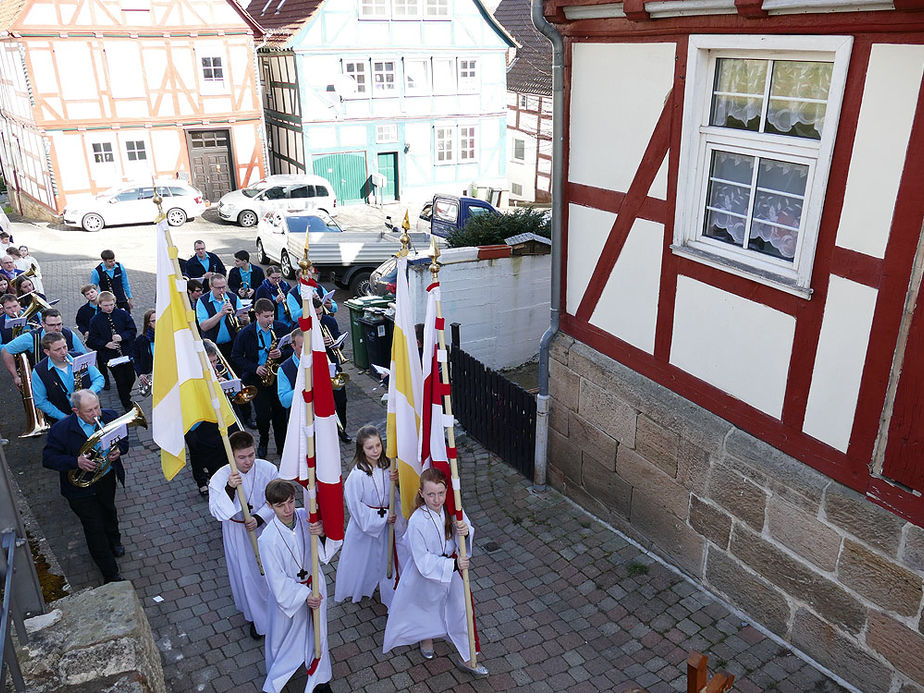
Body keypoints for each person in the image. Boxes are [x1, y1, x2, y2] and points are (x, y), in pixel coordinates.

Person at [383, 468, 486, 677]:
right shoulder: (417, 521)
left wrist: (465, 533)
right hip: (426, 576)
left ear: (447, 491)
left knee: (460, 608)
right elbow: (422, 559)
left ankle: (467, 656)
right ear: (421, 493)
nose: (436, 499)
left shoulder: (453, 509)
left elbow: (466, 533)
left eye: (440, 493)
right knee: (426, 608)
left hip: (452, 572)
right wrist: (453, 566)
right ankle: (426, 636)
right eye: (430, 494)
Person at [259, 479, 340, 693]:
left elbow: (324, 552)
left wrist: (322, 533)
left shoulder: (307, 517)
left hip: (315, 585)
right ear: (269, 506)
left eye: (290, 502)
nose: (287, 510)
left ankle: (319, 680)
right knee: (287, 640)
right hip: (291, 597)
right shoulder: (267, 539)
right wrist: (304, 595)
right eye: (280, 505)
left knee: (318, 633)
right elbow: (275, 580)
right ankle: (277, 681)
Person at [41, 389, 130, 584]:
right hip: (79, 490)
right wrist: (76, 462)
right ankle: (110, 573)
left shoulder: (109, 416)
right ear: (76, 411)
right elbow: (48, 459)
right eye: (89, 411)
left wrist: (119, 450)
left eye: (97, 407)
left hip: (105, 478)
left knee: (109, 511)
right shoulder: (61, 430)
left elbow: (123, 439)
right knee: (93, 526)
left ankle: (115, 541)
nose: (96, 414)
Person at [207, 430, 277, 640]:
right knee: (247, 575)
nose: (248, 462)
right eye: (242, 457)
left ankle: (276, 612)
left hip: (265, 529)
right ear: (232, 456)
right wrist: (230, 488)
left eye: (251, 455)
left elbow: (278, 497)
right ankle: (258, 619)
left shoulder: (268, 468)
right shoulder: (220, 476)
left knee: (270, 571)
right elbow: (217, 511)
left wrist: (261, 518)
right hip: (237, 532)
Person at [335, 426, 404, 608]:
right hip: (366, 527)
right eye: (370, 447)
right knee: (365, 561)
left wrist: (397, 481)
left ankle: (389, 588)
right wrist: (381, 519)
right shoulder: (357, 476)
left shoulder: (389, 466)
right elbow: (356, 508)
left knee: (385, 557)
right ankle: (361, 588)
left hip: (388, 522)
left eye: (378, 445)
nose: (375, 451)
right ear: (361, 449)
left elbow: (394, 495)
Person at [231, 298, 291, 459]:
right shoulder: (245, 333)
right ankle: (263, 441)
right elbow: (236, 356)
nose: (270, 319)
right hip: (256, 378)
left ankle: (282, 445)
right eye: (266, 316)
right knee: (263, 415)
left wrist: (282, 354)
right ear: (256, 315)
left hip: (277, 376)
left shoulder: (281, 328)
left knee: (280, 414)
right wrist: (255, 368)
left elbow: (292, 350)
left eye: (271, 315)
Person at [185, 340, 241, 496]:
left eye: (215, 361)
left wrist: (226, 387)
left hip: (229, 426)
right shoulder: (191, 382)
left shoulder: (220, 370)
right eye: (209, 363)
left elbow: (237, 394)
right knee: (220, 475)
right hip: (208, 436)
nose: (214, 366)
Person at [2, 308, 86, 389]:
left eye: (59, 324)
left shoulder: (69, 333)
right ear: (43, 324)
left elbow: (84, 356)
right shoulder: (31, 338)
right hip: (43, 383)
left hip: (68, 379)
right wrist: (16, 376)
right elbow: (6, 350)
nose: (57, 328)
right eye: (52, 325)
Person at [32, 332, 105, 424]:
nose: (63, 352)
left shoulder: (80, 357)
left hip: (93, 413)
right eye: (57, 350)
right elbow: (40, 401)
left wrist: (88, 395)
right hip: (66, 420)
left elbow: (98, 378)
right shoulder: (39, 371)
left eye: (64, 347)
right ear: (47, 352)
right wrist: (63, 417)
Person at [88, 291, 137, 412]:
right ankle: (127, 404)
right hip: (110, 357)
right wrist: (105, 344)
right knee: (120, 381)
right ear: (99, 305)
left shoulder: (122, 315)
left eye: (111, 304)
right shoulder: (95, 320)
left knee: (131, 378)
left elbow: (132, 330)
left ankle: (127, 395)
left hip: (126, 354)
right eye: (106, 305)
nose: (109, 308)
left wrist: (122, 337)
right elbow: (91, 341)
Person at [195, 274, 247, 362]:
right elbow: (204, 326)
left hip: (232, 345)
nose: (222, 291)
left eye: (224, 287)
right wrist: (221, 313)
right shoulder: (203, 301)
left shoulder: (233, 297)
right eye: (218, 288)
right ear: (211, 287)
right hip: (213, 348)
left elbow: (243, 322)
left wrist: (245, 319)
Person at [276, 328, 302, 410]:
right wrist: (305, 386)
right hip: (298, 415)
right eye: (302, 347)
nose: (307, 350)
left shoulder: (321, 359)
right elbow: (285, 401)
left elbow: (337, 386)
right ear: (293, 346)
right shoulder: (284, 369)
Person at [132, 309, 155, 395]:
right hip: (150, 373)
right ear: (148, 323)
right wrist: (140, 373)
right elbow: (136, 358)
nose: (157, 322)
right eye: (154, 321)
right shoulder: (140, 340)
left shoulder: (169, 336)